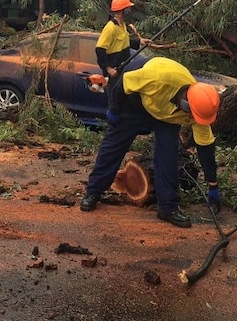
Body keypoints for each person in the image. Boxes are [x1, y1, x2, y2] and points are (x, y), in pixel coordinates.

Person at [80, 56, 221, 228]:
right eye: (190, 112)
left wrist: (212, 184)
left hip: (166, 116)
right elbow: (124, 82)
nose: (191, 118)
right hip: (135, 100)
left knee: (168, 156)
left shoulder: (200, 109)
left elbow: (205, 148)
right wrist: (115, 110)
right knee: (114, 145)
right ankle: (93, 192)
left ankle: (168, 208)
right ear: (186, 100)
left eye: (195, 117)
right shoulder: (158, 78)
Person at [95, 0, 150, 93]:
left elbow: (124, 42)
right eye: (128, 9)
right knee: (114, 102)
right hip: (114, 74)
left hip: (123, 70)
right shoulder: (110, 28)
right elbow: (99, 49)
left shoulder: (122, 25)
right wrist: (108, 69)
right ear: (123, 11)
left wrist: (140, 42)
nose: (130, 11)